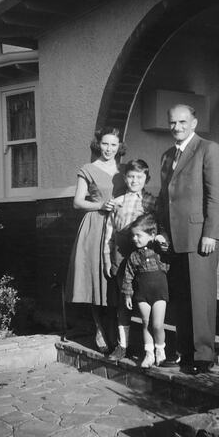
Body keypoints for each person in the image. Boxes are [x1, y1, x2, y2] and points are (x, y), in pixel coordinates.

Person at [158, 103, 219, 374]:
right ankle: (185, 351)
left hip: (200, 237)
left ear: (194, 123)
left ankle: (202, 356)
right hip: (174, 239)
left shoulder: (208, 149)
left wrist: (211, 233)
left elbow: (218, 196)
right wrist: (162, 232)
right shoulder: (167, 155)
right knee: (181, 298)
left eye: (182, 122)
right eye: (173, 122)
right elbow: (165, 199)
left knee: (200, 298)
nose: (177, 127)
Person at [65, 126, 126, 353]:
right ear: (98, 144)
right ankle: (100, 329)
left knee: (116, 279)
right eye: (105, 144)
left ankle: (120, 335)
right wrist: (100, 205)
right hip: (95, 225)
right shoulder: (88, 169)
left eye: (113, 144)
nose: (109, 149)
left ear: (120, 146)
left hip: (120, 226)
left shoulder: (125, 170)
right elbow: (78, 202)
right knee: (96, 277)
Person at [103, 159, 157, 360]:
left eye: (139, 177)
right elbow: (109, 232)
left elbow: (157, 229)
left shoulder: (152, 202)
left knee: (145, 302)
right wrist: (108, 260)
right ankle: (122, 346)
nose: (134, 180)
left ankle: (149, 349)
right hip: (120, 255)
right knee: (122, 303)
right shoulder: (117, 202)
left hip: (143, 259)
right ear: (125, 178)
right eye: (131, 176)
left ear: (146, 179)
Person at [121, 214, 169, 368]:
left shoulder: (160, 252)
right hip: (142, 294)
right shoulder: (134, 257)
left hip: (160, 293)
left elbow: (167, 250)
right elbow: (128, 276)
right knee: (146, 323)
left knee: (157, 325)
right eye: (133, 235)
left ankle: (160, 350)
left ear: (152, 235)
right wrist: (128, 294)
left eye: (139, 235)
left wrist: (160, 240)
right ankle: (149, 354)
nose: (135, 239)